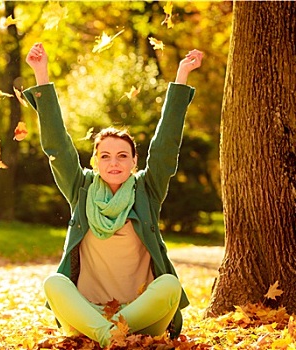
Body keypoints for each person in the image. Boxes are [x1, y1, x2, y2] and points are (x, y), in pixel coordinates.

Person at [23, 43, 203, 348]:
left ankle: (107, 337)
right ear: (95, 162)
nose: (114, 162)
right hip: (87, 312)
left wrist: (182, 75)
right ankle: (109, 337)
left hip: (140, 315)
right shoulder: (81, 188)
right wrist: (41, 74)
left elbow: (165, 148)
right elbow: (58, 148)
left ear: (134, 161)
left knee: (170, 285)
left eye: (122, 156)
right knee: (54, 283)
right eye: (105, 156)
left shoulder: (147, 190)